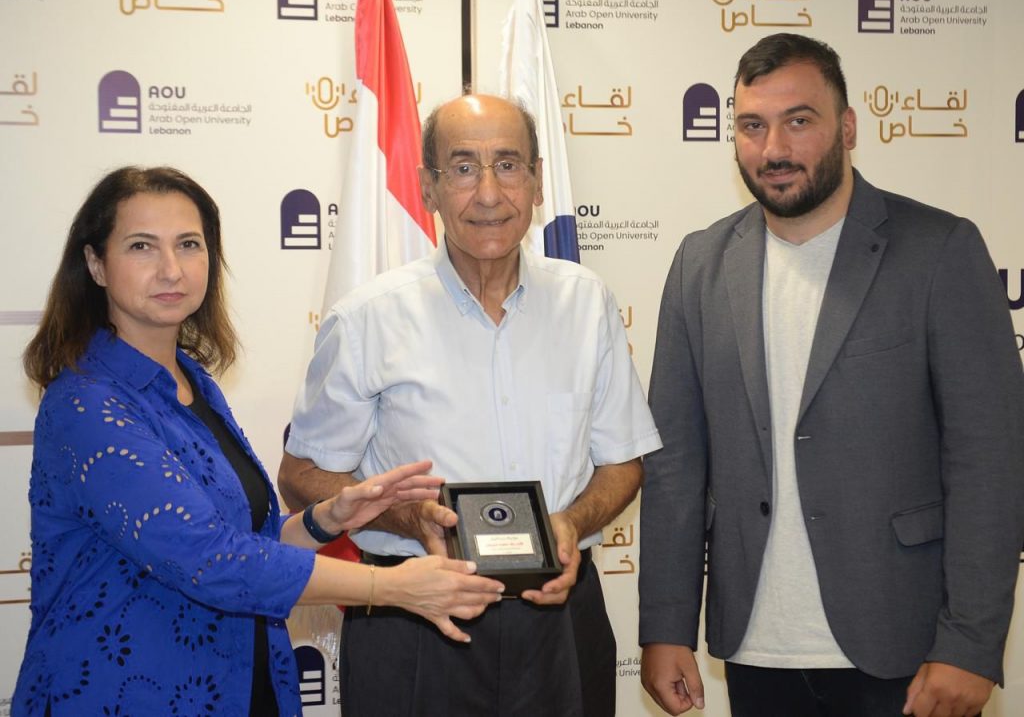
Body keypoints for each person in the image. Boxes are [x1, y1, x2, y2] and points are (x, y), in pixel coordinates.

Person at [13, 166, 505, 717]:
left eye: (189, 244)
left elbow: (246, 541)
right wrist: (390, 587)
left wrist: (327, 519)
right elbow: (210, 559)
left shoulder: (191, 380)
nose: (171, 268)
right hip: (124, 694)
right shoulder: (87, 403)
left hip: (236, 684)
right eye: (142, 246)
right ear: (96, 264)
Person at [639, 33, 1024, 717]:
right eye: (752, 125)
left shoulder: (939, 251)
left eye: (799, 121)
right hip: (756, 651)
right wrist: (666, 625)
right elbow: (675, 465)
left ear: (847, 128)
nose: (773, 148)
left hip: (906, 650)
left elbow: (989, 460)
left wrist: (970, 641)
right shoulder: (700, 264)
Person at [278, 93, 662, 716]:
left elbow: (623, 462)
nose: (488, 193)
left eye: (508, 165)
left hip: (560, 618)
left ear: (537, 180)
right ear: (428, 187)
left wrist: (571, 521)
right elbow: (301, 476)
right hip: (412, 617)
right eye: (462, 168)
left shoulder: (587, 303)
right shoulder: (368, 319)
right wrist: (409, 518)